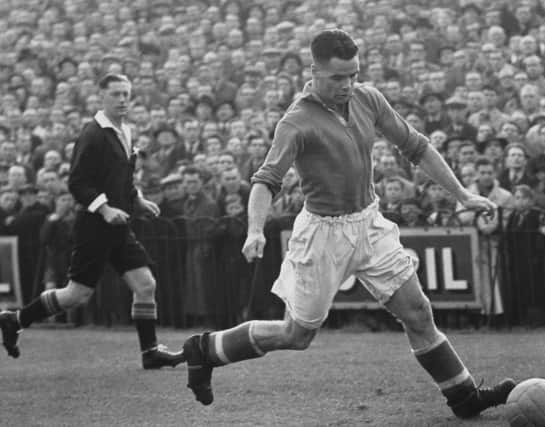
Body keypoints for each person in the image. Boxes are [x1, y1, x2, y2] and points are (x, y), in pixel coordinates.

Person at [181, 30, 515, 418]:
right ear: (314, 72)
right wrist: (255, 229)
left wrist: (463, 195)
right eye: (338, 78)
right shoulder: (296, 122)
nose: (348, 85)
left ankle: (464, 397)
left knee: (419, 313)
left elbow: (417, 147)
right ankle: (204, 349)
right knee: (297, 335)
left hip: (369, 222)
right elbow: (264, 181)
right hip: (322, 234)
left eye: (354, 75)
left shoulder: (368, 98)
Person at [0, 74, 184, 369]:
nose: (123, 99)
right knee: (76, 295)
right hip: (95, 227)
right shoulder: (93, 134)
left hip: (119, 226)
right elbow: (78, 183)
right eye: (116, 94)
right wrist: (106, 209)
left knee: (145, 284)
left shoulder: (125, 129)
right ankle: (15, 319)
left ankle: (149, 352)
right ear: (101, 97)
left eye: (126, 93)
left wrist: (137, 199)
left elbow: (122, 175)